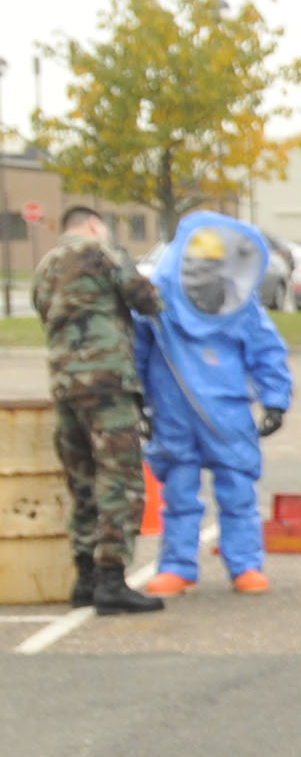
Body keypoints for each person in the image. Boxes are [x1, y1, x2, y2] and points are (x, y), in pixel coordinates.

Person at [135, 214, 293, 596]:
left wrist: (275, 399)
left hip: (227, 412)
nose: (204, 275)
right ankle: (177, 566)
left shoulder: (238, 303)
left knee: (238, 491)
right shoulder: (157, 304)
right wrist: (136, 399)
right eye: (198, 267)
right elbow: (136, 352)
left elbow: (266, 350)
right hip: (173, 413)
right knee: (178, 494)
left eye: (211, 266)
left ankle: (245, 565)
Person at [31, 205, 164, 614]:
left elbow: (44, 312)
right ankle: (111, 578)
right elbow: (145, 298)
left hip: (65, 384)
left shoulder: (45, 266)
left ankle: (85, 577)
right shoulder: (101, 251)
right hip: (107, 382)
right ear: (93, 225)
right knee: (120, 478)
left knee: (83, 479)